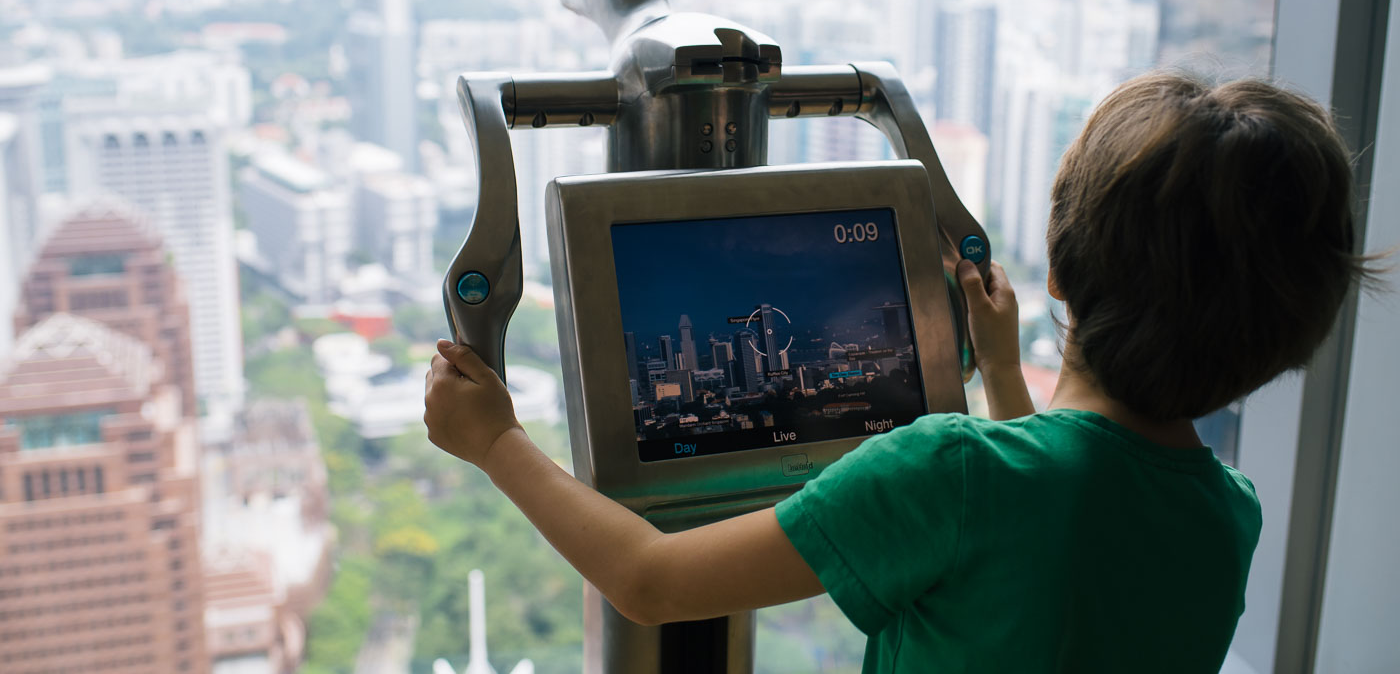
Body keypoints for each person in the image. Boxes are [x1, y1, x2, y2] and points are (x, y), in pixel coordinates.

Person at [424, 72, 1381, 673]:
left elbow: (652, 581)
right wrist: (1001, 370)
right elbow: (1066, 511)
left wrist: (496, 440)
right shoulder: (1228, 514)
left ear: (1056, 266)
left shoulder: (951, 473)